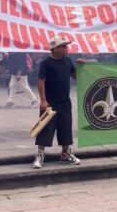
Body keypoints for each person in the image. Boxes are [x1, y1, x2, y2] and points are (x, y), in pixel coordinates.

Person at [33, 36, 81, 168]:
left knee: (65, 128)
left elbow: (75, 76)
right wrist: (43, 100)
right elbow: (41, 81)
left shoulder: (67, 61)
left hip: (65, 101)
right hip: (50, 102)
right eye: (63, 46)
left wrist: (79, 66)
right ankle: (39, 155)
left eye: (66, 46)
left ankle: (65, 154)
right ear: (54, 49)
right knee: (45, 129)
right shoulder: (46, 63)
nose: (66, 48)